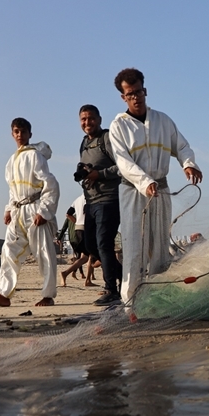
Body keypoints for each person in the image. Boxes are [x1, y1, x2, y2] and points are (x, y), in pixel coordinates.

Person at [108, 68, 201, 305]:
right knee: (135, 248)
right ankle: (131, 304)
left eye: (138, 91)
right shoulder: (119, 126)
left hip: (161, 189)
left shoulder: (162, 120)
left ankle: (158, 301)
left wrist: (188, 164)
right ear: (123, 97)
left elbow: (181, 146)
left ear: (145, 90)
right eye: (130, 94)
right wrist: (145, 182)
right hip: (133, 191)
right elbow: (123, 162)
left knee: (160, 247)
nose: (136, 97)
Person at [0, 118, 60, 307]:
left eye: (23, 132)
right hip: (18, 212)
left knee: (44, 252)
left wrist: (44, 211)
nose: (20, 135)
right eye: (16, 131)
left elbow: (50, 184)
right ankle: (3, 293)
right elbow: (12, 190)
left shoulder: (35, 155)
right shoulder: (11, 161)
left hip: (35, 210)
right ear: (12, 134)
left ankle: (48, 295)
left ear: (29, 134)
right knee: (8, 251)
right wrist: (9, 209)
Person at [77, 104, 122, 306]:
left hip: (109, 199)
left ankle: (111, 289)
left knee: (104, 244)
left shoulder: (107, 138)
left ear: (99, 119)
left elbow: (122, 165)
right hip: (91, 202)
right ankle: (124, 276)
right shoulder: (84, 144)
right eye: (83, 119)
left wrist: (99, 174)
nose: (87, 123)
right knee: (90, 246)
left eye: (91, 118)